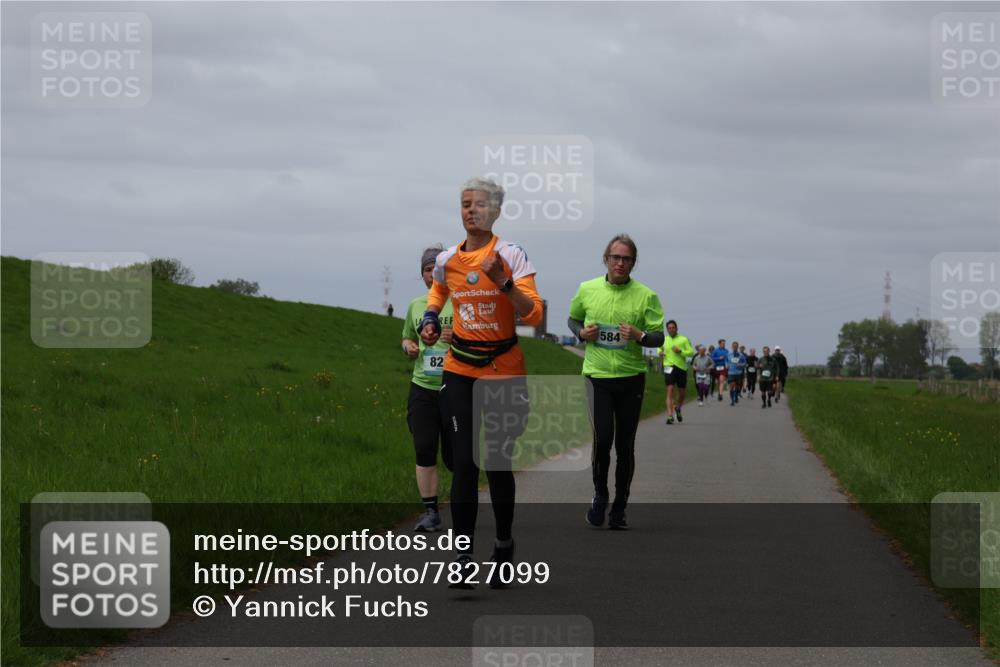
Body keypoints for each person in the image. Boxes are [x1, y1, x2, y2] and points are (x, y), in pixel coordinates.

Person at [419, 177, 544, 589]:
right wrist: (431, 319)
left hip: (504, 371)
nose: (471, 210)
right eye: (465, 204)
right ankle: (463, 557)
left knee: (497, 462)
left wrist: (503, 281)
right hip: (459, 370)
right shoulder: (447, 259)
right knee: (464, 465)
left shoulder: (511, 254)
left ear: (496, 211)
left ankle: (504, 543)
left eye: (479, 205)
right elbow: (438, 289)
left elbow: (535, 314)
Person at [569, 234, 664, 530]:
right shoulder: (587, 289)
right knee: (602, 440)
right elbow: (573, 319)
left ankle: (620, 506)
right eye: (616, 257)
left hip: (630, 379)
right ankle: (600, 494)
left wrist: (640, 336)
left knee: (624, 446)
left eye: (626, 259)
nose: (620, 263)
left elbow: (658, 337)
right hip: (597, 377)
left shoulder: (646, 296)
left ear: (634, 263)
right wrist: (581, 333)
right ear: (606, 259)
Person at [401, 247, 454, 532]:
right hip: (423, 388)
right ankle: (431, 512)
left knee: (456, 458)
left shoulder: (461, 302)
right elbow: (407, 338)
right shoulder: (416, 305)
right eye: (427, 269)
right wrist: (409, 347)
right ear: (421, 274)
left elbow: (483, 339)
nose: (432, 274)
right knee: (424, 448)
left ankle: (464, 505)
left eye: (437, 268)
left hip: (456, 387)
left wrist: (457, 338)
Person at [660, 320, 693, 424]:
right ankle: (670, 416)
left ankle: (678, 408)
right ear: (667, 330)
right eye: (669, 328)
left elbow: (691, 352)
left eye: (673, 328)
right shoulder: (664, 339)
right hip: (668, 366)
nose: (671, 330)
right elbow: (659, 348)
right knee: (670, 389)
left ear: (676, 328)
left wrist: (680, 351)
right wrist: (660, 352)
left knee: (682, 392)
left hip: (681, 368)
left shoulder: (684, 339)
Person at [726, 340, 746, 406]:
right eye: (733, 346)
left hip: (738, 373)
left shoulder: (741, 355)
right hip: (731, 372)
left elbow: (745, 363)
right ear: (732, 347)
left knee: (737, 387)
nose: (735, 347)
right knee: (731, 386)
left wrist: (740, 365)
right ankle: (732, 400)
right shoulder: (729, 354)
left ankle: (736, 395)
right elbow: (726, 361)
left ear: (737, 347)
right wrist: (726, 365)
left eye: (736, 346)